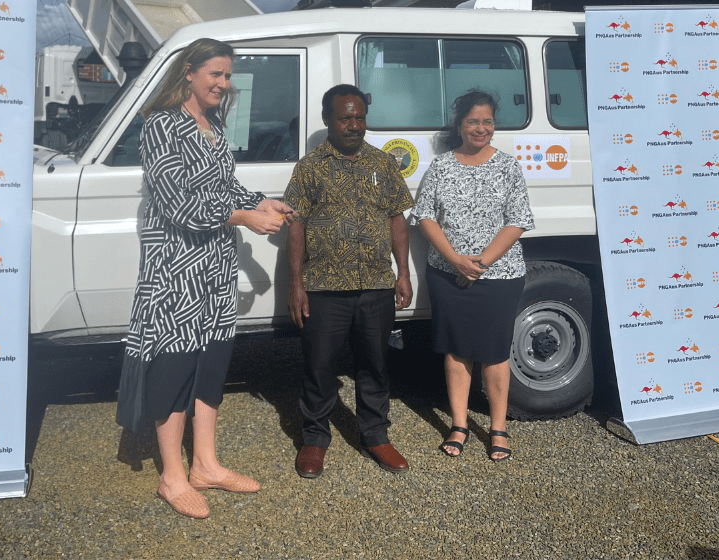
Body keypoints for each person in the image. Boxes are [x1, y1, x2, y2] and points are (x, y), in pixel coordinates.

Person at [117, 38, 296, 519]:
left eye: (227, 75)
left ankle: (207, 465)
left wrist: (259, 200)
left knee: (212, 364)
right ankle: (172, 477)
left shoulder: (213, 124)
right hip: (176, 269)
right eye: (215, 74)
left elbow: (224, 183)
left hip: (215, 267)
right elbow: (177, 202)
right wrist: (244, 218)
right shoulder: (161, 126)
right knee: (174, 367)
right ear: (189, 73)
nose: (223, 83)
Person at [284, 84, 414, 479]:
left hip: (375, 284)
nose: (354, 125)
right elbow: (296, 226)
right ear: (328, 119)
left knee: (374, 365)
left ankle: (375, 435)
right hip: (324, 286)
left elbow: (397, 218)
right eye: (345, 117)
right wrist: (296, 283)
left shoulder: (384, 164)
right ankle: (315, 439)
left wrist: (403, 272)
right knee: (320, 367)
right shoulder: (309, 167)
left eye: (359, 117)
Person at [409, 89, 534, 462]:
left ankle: (498, 428)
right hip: (448, 275)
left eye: (488, 122)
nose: (481, 128)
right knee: (457, 351)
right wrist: (456, 260)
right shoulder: (442, 166)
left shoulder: (509, 166)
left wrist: (478, 264)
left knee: (495, 353)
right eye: (473, 121)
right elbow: (424, 216)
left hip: (500, 275)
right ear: (459, 124)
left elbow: (519, 220)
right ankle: (460, 424)